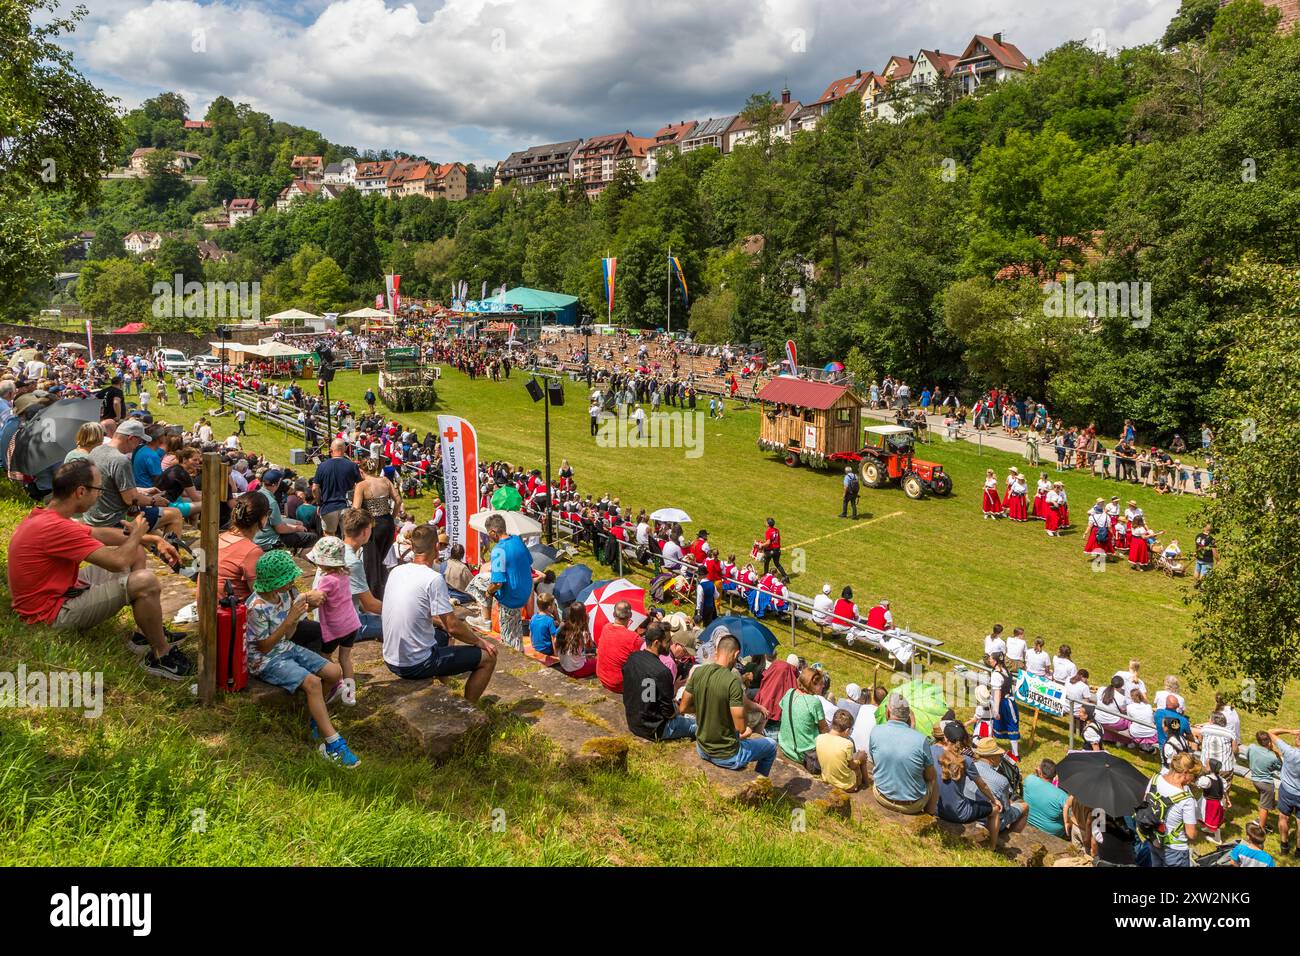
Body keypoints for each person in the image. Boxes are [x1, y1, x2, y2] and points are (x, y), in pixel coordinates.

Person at [7, 459, 192, 679]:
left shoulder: (47, 516)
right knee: (145, 581)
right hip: (50, 614)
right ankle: (162, 656)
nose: (100, 494)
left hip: (56, 594)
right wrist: (136, 533)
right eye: (98, 489)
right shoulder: (56, 527)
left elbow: (97, 533)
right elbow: (118, 562)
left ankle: (145, 634)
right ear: (81, 491)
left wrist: (152, 539)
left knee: (138, 553)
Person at [243, 550, 357, 767]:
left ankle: (316, 719)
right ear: (276, 582)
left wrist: (294, 619)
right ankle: (334, 743)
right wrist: (290, 619)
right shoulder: (255, 608)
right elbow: (264, 647)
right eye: (288, 579)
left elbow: (288, 636)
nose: (292, 583)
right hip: (263, 659)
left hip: (284, 646)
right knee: (313, 682)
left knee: (334, 672)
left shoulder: (284, 596)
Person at [381, 525, 497, 703]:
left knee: (443, 634)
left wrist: (444, 624)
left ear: (412, 547)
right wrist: (480, 641)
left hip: (391, 658)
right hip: (415, 664)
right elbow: (453, 626)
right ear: (436, 548)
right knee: (488, 658)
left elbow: (426, 616)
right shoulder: (432, 578)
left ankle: (444, 687)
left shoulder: (396, 571)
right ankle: (467, 710)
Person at [679, 630, 777, 776]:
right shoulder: (732, 682)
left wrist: (706, 708)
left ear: (717, 651)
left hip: (702, 748)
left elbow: (683, 707)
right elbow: (741, 727)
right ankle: (760, 781)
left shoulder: (698, 672)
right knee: (771, 746)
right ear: (736, 654)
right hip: (727, 756)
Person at [81, 418, 183, 542]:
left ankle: (158, 550)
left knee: (152, 528)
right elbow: (130, 499)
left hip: (92, 516)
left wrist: (142, 490)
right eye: (139, 441)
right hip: (113, 521)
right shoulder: (120, 460)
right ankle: (172, 557)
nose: (139, 445)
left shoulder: (96, 451)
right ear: (131, 438)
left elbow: (110, 486)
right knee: (175, 514)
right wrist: (154, 500)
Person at [621, 622, 697, 742]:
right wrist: (680, 707)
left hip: (634, 722)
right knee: (697, 725)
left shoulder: (632, 658)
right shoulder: (662, 671)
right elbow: (669, 714)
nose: (670, 645)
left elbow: (647, 696)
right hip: (656, 729)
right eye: (667, 641)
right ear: (656, 642)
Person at [868, 694, 938, 815]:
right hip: (912, 806)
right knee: (935, 777)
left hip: (881, 796)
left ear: (888, 712)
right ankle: (930, 814)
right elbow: (930, 777)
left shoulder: (876, 731)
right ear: (909, 717)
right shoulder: (921, 740)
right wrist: (913, 729)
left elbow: (876, 761)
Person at [352, 456, 402, 599]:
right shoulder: (385, 481)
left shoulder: (362, 485)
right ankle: (385, 589)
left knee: (371, 562)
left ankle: (373, 597)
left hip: (373, 525)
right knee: (381, 559)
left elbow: (356, 509)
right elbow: (398, 500)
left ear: (361, 471)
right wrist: (392, 517)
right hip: (387, 523)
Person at [484, 512, 533, 652]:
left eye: (489, 533)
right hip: (525, 592)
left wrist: (488, 592)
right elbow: (529, 561)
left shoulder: (498, 550)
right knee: (516, 630)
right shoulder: (518, 540)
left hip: (511, 598)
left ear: (493, 532)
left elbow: (498, 583)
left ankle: (484, 618)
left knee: (509, 638)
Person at [1145, 752, 1201, 867]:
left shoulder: (1155, 779)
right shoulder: (1186, 799)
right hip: (1175, 849)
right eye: (1194, 776)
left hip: (1154, 839)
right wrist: (1196, 832)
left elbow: (1145, 803)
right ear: (1185, 772)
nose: (1193, 781)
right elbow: (1191, 834)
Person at [217, 491, 268, 602]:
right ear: (263, 518)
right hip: (234, 613)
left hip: (211, 608)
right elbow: (261, 595)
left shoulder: (219, 538)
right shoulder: (252, 551)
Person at [776, 666, 831, 769]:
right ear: (811, 685)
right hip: (804, 755)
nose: (823, 686)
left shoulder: (790, 692)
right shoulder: (814, 702)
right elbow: (824, 729)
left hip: (785, 746)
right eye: (820, 684)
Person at [253, 470, 317, 552]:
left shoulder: (257, 494)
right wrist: (297, 528)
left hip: (258, 536)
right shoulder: (271, 502)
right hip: (270, 541)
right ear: (276, 484)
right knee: (312, 537)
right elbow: (279, 529)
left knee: (299, 524)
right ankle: (302, 560)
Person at [311, 439, 362, 536]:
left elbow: (314, 488)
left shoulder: (322, 466)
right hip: (347, 506)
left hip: (328, 506)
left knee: (329, 538)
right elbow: (360, 486)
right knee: (348, 537)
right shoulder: (352, 465)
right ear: (345, 449)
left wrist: (319, 503)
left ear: (331, 450)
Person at [595, 600, 645, 694]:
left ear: (614, 614)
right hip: (619, 684)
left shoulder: (606, 627)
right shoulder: (634, 638)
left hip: (602, 677)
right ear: (630, 616)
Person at [1265, 726, 1300, 856]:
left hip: (1287, 790)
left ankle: (1284, 845)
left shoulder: (1289, 751)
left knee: (1283, 817)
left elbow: (1270, 732)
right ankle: (1298, 851)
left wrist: (1291, 731)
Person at [816, 709, 869, 792]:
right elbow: (852, 766)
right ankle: (866, 785)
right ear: (847, 731)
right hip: (847, 785)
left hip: (827, 779)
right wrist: (859, 760)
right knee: (861, 755)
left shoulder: (819, 738)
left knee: (853, 756)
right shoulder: (847, 744)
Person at [1246, 730, 1282, 833]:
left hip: (1255, 780)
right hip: (1266, 784)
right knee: (1264, 807)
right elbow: (1280, 767)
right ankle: (1261, 829)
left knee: (1266, 801)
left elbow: (1247, 756)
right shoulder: (1272, 756)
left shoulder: (1252, 747)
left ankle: (1262, 820)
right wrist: (1276, 753)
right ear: (1270, 742)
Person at [1023, 758, 1069, 838]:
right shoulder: (1062, 796)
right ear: (1055, 775)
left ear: (1039, 772)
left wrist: (1037, 774)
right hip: (1052, 834)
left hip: (1028, 822)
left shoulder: (1029, 779)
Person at [555, 601, 597, 678]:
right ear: (583, 616)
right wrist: (586, 625)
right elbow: (590, 647)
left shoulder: (563, 627)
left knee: (587, 656)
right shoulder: (583, 633)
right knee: (599, 662)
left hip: (564, 667)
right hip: (577, 670)